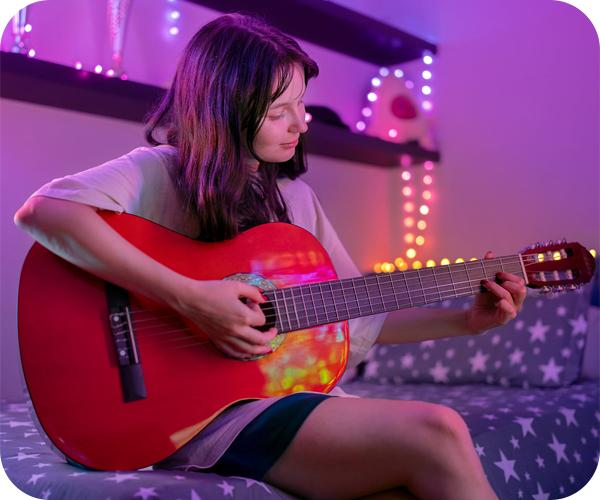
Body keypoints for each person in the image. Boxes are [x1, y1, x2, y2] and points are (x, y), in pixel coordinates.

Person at [14, 13, 526, 499]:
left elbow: (359, 312)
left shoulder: (296, 201)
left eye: (301, 106)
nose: (300, 124)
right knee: (438, 429)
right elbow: (44, 212)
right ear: (224, 108)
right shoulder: (158, 172)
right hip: (194, 418)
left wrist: (467, 322)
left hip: (276, 399)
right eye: (279, 111)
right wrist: (191, 299)